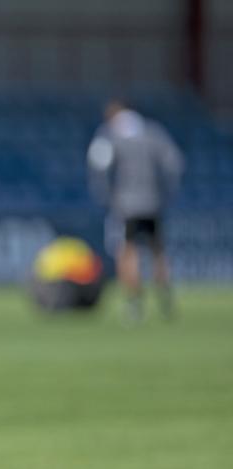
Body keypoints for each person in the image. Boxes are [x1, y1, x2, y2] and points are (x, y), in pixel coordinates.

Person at [87, 99, 184, 322]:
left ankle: (134, 303)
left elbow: (99, 168)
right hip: (153, 202)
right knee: (158, 251)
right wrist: (164, 192)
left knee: (127, 252)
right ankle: (166, 300)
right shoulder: (153, 131)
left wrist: (107, 196)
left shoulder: (110, 134)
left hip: (125, 204)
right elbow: (174, 162)